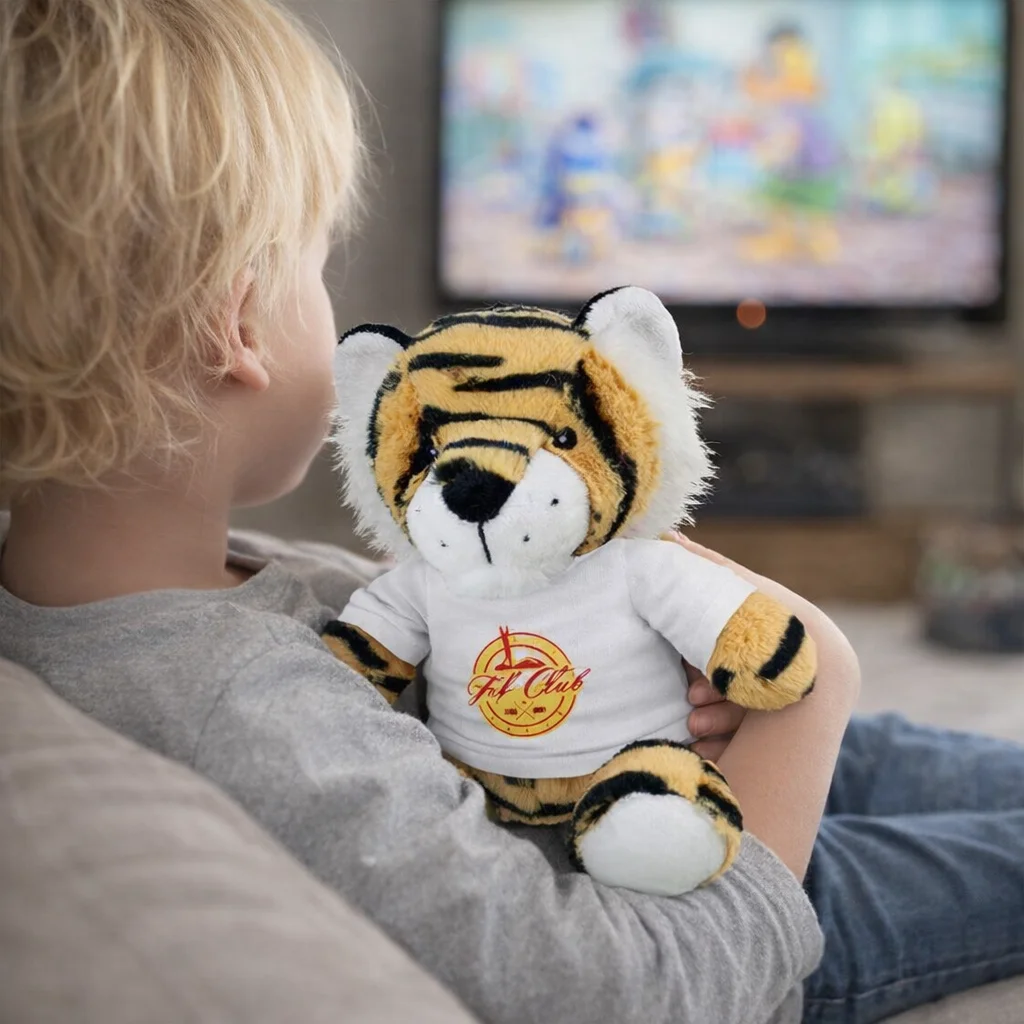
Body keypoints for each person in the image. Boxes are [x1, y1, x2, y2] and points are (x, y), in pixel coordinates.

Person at [0, 3, 1019, 1024]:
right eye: (317, 264)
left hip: (639, 747)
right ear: (235, 323)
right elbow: (622, 987)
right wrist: (811, 691)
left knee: (915, 758)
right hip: (722, 899)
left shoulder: (143, 590)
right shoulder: (240, 707)